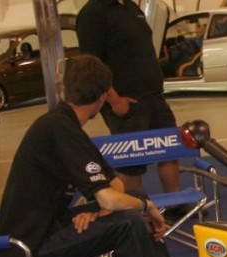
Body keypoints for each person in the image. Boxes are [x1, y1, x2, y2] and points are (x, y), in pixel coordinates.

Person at [0, 55, 191, 257]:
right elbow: (112, 196)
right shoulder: (59, 128)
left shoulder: (63, 123)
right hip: (29, 248)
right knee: (130, 220)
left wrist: (97, 209)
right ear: (102, 97)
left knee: (134, 198)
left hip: (52, 226)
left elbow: (114, 185)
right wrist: (144, 207)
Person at [76, 0, 180, 197]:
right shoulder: (93, 12)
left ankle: (177, 203)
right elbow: (91, 65)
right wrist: (115, 101)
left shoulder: (131, 8)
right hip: (126, 103)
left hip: (154, 97)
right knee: (132, 163)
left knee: (171, 151)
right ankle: (135, 210)